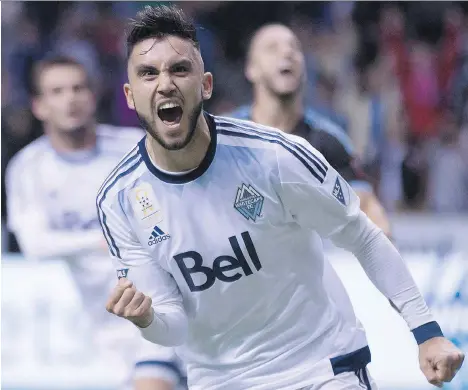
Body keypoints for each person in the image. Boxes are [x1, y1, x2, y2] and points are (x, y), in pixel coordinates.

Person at [100, 5, 464, 390]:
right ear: (130, 95)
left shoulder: (274, 155)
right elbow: (172, 327)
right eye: (148, 73)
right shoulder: (120, 201)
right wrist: (147, 319)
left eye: (179, 69)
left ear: (205, 85)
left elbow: (364, 235)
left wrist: (427, 332)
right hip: (221, 381)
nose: (165, 84)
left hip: (320, 367)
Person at [5, 56, 185, 390]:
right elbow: (35, 245)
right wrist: (105, 240)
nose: (70, 99)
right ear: (39, 106)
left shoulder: (133, 149)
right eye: (57, 91)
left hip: (156, 306)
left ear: (93, 96)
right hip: (90, 328)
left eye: (78, 88)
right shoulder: (28, 168)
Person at [228, 23, 391, 237]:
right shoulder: (225, 138)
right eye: (272, 48)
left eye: (294, 48)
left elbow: (367, 206)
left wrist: (387, 249)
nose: (287, 53)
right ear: (251, 68)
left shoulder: (328, 140)